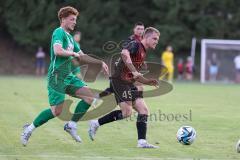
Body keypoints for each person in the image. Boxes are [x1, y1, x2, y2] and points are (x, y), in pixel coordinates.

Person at [21, 6, 109, 146]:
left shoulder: (70, 38)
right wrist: (72, 54)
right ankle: (29, 129)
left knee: (89, 97)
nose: (75, 22)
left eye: (75, 19)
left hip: (68, 76)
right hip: (57, 76)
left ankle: (71, 125)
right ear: (63, 19)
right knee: (56, 111)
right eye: (72, 19)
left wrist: (100, 62)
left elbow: (83, 56)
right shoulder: (59, 32)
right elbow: (57, 51)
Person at [88, 27, 160, 148]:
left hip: (129, 83)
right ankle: (95, 123)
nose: (156, 41)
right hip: (119, 82)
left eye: (157, 39)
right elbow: (124, 53)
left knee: (144, 110)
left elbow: (136, 76)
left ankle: (142, 142)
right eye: (154, 38)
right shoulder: (135, 44)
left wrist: (148, 82)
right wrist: (134, 71)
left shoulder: (143, 52)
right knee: (127, 112)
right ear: (146, 37)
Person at [98, 22, 145, 98]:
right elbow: (125, 54)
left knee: (113, 89)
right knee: (138, 87)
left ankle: (97, 97)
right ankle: (138, 106)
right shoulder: (131, 40)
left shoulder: (141, 41)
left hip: (129, 68)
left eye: (142, 29)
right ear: (134, 30)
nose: (140, 31)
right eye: (138, 29)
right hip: (124, 67)